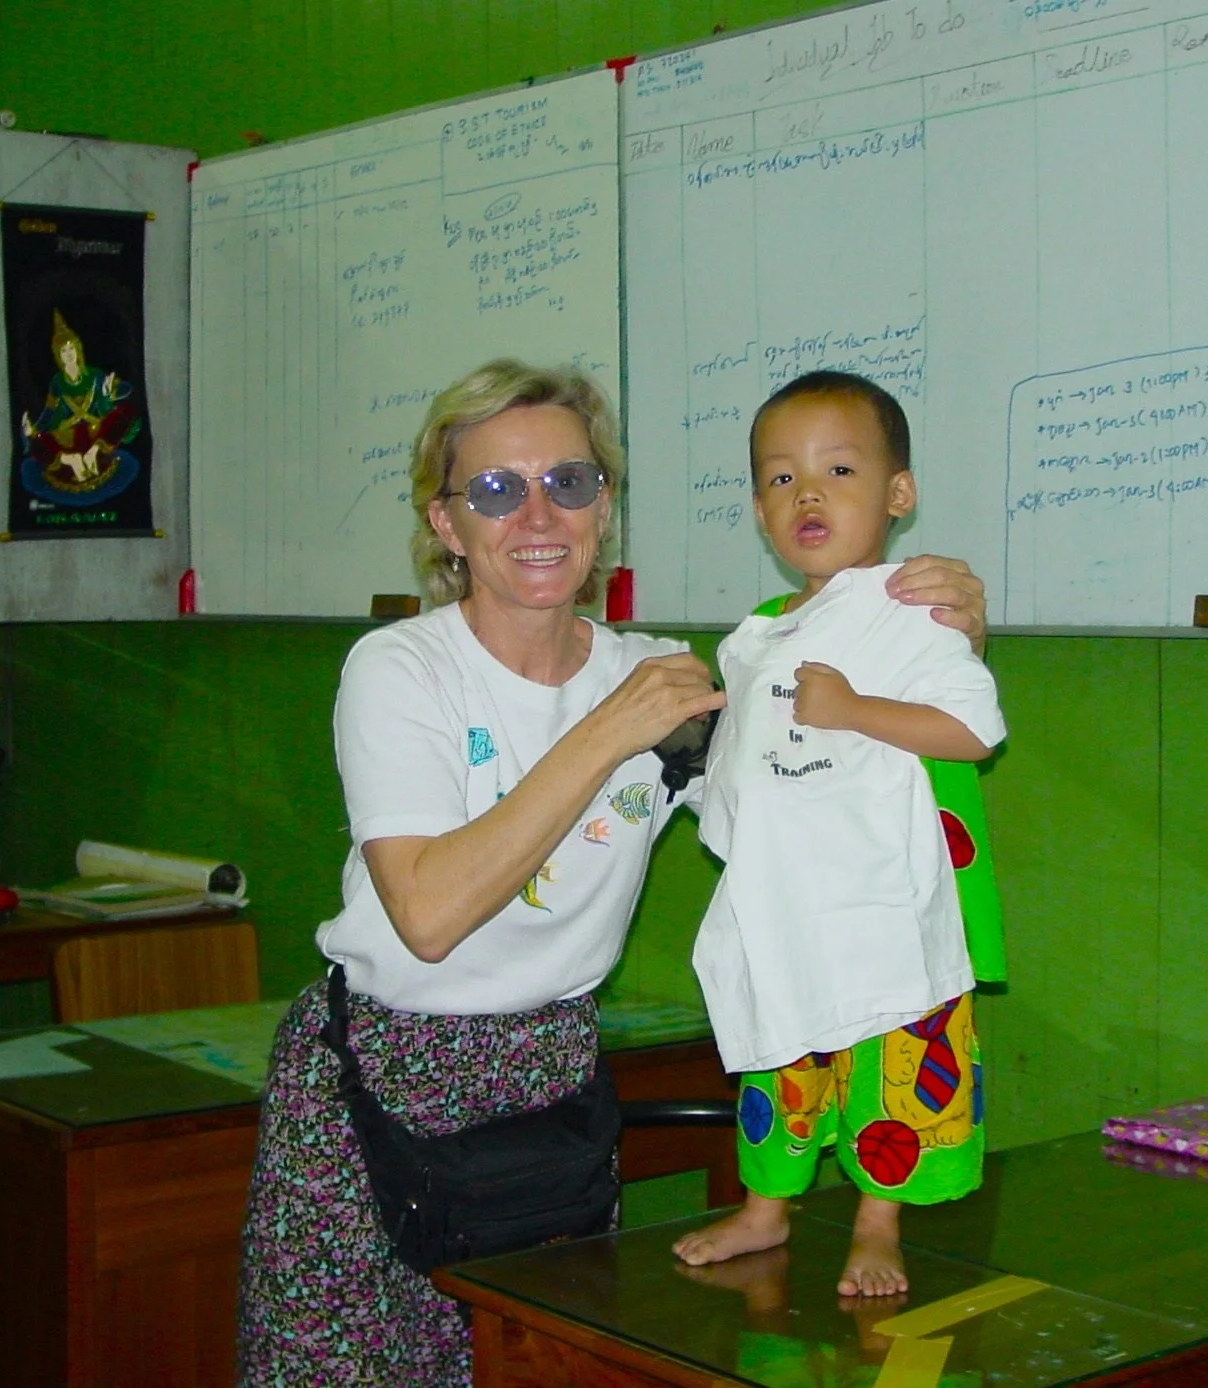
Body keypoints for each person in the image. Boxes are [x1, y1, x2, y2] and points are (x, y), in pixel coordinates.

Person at [234, 358, 990, 1385]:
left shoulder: (669, 678)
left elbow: (817, 776)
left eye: (570, 482)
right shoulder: (401, 667)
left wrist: (937, 644)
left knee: (532, 1366)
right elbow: (425, 912)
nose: (537, 514)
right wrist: (604, 733)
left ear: (604, 508)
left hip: (550, 1083)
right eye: (495, 489)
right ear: (446, 524)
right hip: (380, 1085)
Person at [674, 370, 1007, 1299]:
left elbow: (974, 731)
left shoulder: (918, 608)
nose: (807, 495)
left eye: (839, 470)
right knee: (776, 1063)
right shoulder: (758, 635)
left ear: (898, 494)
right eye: (781, 480)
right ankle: (764, 1210)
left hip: (881, 906)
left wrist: (855, 708)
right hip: (781, 906)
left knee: (889, 1070)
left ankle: (876, 1224)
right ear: (756, 508)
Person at [21, 310, 139, 488]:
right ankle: (71, 460)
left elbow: (107, 409)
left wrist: (106, 395)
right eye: (63, 350)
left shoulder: (95, 375)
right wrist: (33, 431)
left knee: (127, 412)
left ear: (78, 349)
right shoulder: (57, 383)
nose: (68, 354)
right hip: (67, 436)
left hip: (94, 433)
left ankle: (93, 453)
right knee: (37, 441)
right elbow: (49, 413)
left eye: (71, 348)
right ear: (58, 355)